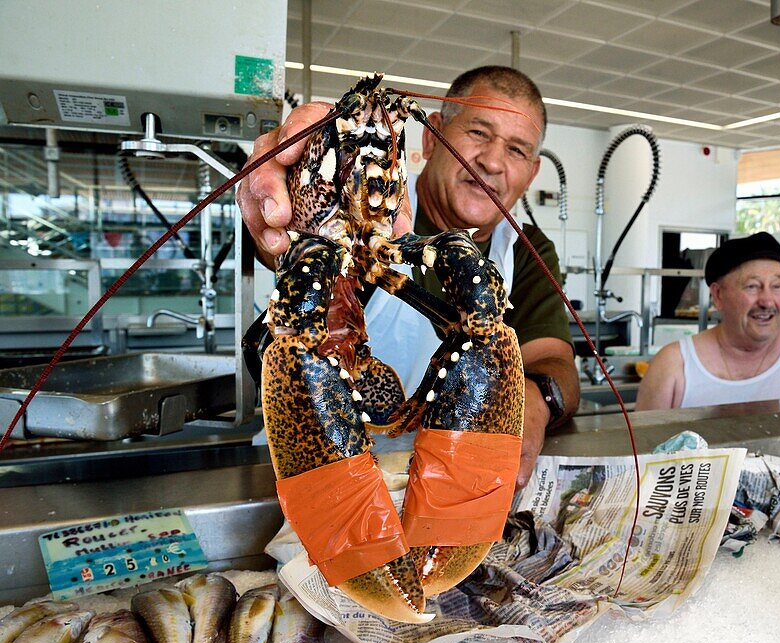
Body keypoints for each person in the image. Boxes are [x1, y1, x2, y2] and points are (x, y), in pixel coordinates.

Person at [236, 66, 579, 489]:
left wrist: (536, 400)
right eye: (478, 133)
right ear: (431, 136)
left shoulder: (527, 251)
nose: (492, 161)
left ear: (532, 172)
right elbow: (281, 244)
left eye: (516, 149)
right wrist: (289, 184)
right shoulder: (376, 208)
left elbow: (555, 359)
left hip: (443, 482)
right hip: (316, 477)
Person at [635, 232, 780, 411]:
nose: (767, 301)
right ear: (718, 296)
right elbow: (640, 454)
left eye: (777, 286)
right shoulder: (675, 364)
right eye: (752, 286)